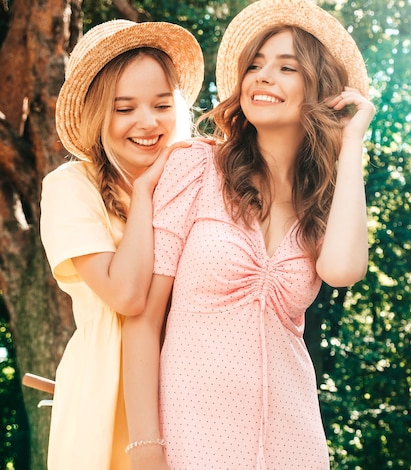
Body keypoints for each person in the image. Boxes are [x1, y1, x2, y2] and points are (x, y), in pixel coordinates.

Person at [122, 0, 376, 468]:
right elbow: (142, 318)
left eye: (286, 67)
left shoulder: (321, 202)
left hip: (293, 441)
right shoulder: (196, 168)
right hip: (193, 435)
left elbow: (342, 270)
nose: (262, 76)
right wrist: (145, 447)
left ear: (318, 89)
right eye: (255, 65)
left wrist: (352, 142)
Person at [39, 19, 204, 469]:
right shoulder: (70, 186)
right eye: (124, 108)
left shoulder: (200, 181)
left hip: (194, 394)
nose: (148, 123)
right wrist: (148, 192)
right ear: (97, 114)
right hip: (105, 398)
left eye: (162, 104)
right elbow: (127, 295)